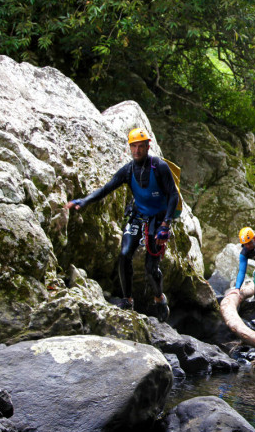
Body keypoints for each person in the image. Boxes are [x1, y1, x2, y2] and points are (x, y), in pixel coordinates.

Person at [66, 128, 177, 321]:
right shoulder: (128, 170)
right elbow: (106, 188)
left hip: (158, 220)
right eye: (133, 146)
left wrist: (166, 224)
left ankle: (159, 298)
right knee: (124, 254)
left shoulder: (158, 167)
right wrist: (84, 201)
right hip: (138, 216)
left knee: (150, 269)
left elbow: (173, 195)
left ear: (147, 146)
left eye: (140, 146)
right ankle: (127, 300)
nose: (136, 151)